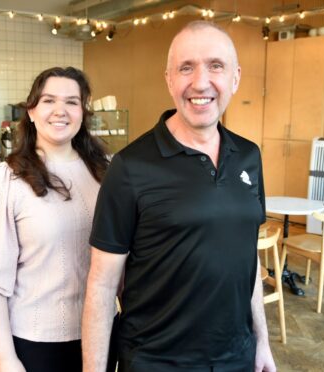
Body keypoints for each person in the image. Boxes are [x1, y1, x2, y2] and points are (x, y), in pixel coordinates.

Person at [82, 21, 276, 372]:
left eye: (215, 65)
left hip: (237, 358)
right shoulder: (130, 167)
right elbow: (101, 285)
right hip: (156, 362)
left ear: (235, 77)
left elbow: (248, 261)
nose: (200, 82)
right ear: (169, 79)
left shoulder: (250, 156)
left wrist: (261, 342)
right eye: (186, 67)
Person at [0, 67, 115, 372]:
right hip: (37, 342)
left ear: (83, 112)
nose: (60, 111)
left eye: (72, 102)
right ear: (31, 111)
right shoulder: (5, 181)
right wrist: (6, 359)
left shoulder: (107, 172)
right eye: (49, 100)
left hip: (103, 332)